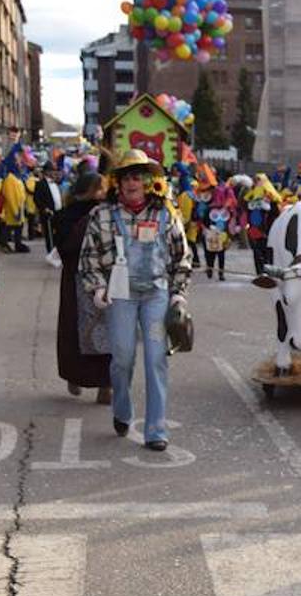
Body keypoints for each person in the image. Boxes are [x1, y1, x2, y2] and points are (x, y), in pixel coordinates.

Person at [79, 149, 190, 452]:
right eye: (126, 176)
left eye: (138, 176)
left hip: (156, 295)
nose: (132, 182)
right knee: (123, 358)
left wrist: (178, 293)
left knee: (156, 358)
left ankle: (156, 429)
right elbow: (88, 260)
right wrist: (98, 288)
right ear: (118, 183)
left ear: (148, 180)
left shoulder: (165, 212)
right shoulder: (101, 215)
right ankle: (121, 408)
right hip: (121, 297)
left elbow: (182, 256)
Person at [54, 172, 111, 404]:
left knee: (105, 332)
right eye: (101, 188)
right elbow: (65, 247)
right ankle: (74, 375)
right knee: (75, 332)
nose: (104, 193)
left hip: (103, 279)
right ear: (89, 190)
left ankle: (106, 384)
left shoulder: (107, 213)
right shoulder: (68, 216)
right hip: (75, 281)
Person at [33, 161, 64, 255]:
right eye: (51, 170)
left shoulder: (55, 182)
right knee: (49, 234)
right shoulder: (40, 184)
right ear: (46, 172)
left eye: (54, 170)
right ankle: (51, 252)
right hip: (48, 213)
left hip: (58, 211)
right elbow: (37, 199)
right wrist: (44, 208)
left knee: (59, 233)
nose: (53, 173)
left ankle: (59, 251)